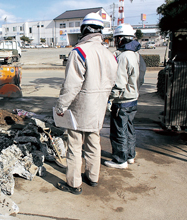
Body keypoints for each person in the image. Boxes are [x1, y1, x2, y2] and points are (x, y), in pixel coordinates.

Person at [54, 13, 118, 195]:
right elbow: (112, 83)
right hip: (99, 108)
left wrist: (61, 107)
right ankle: (92, 177)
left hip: (80, 108)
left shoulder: (79, 52)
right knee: (93, 142)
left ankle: (74, 183)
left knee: (74, 145)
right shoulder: (110, 54)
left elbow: (71, 85)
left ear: (84, 29)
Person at [104, 24, 146, 169]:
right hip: (133, 99)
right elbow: (141, 77)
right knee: (129, 129)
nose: (115, 41)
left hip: (122, 101)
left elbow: (119, 83)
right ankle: (130, 155)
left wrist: (110, 98)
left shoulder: (123, 56)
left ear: (121, 38)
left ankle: (119, 160)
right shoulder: (136, 54)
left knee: (118, 132)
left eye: (116, 38)